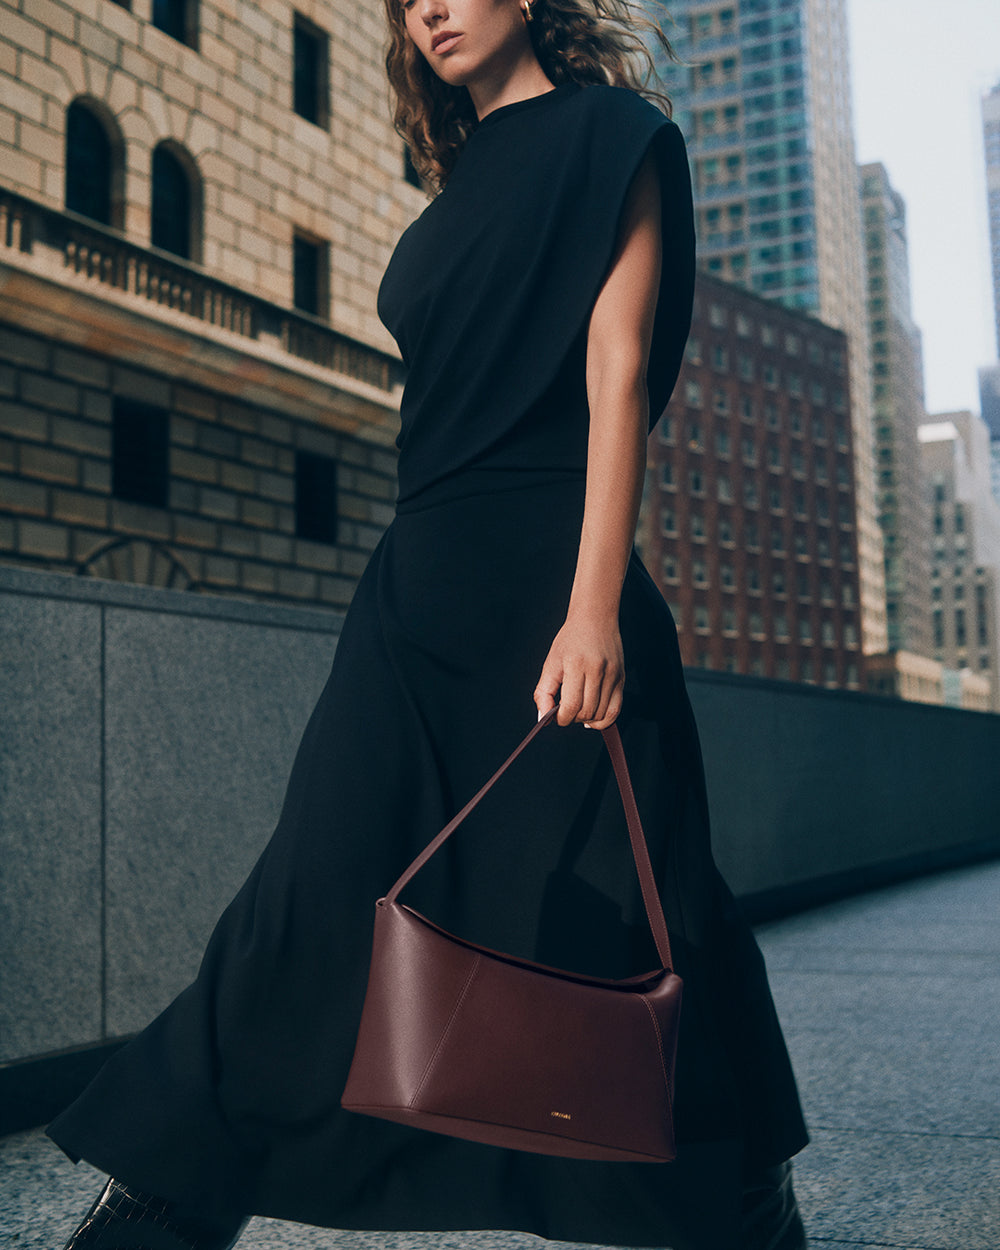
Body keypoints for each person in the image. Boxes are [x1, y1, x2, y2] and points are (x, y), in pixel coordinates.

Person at [51, 2, 810, 1248]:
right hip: (415, 600)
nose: (430, 12)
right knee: (304, 899)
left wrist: (593, 608)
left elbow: (616, 380)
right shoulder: (447, 190)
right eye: (407, 0)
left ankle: (743, 1203)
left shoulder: (614, 137)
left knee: (648, 910)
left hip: (561, 592)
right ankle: (158, 1206)